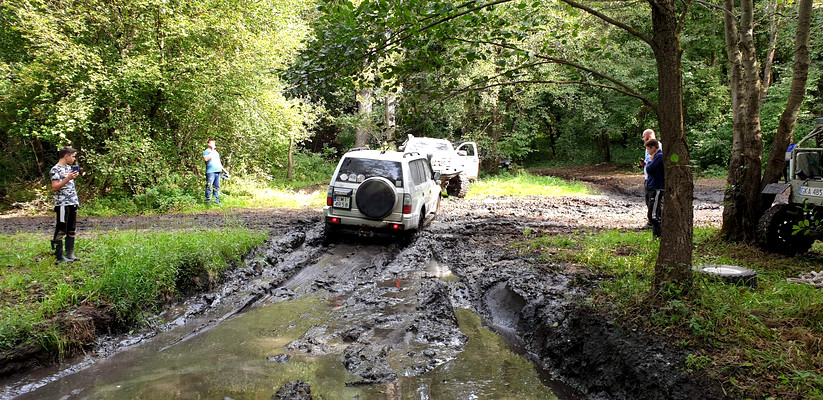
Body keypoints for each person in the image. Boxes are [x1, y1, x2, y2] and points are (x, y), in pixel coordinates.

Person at [50, 147, 81, 262]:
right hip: (62, 203)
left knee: (71, 229)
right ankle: (59, 255)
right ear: (66, 156)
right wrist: (67, 178)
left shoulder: (69, 168)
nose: (74, 159)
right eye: (73, 156)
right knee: (61, 228)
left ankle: (70, 253)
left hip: (73, 202)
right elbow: (54, 187)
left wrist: (71, 177)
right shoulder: (55, 169)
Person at [639, 129, 659, 228]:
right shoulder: (648, 147)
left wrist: (649, 164)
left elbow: (655, 164)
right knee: (648, 200)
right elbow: (649, 162)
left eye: (644, 137)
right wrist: (645, 164)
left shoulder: (658, 148)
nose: (643, 139)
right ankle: (651, 221)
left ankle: (654, 222)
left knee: (653, 201)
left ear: (649, 136)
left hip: (654, 179)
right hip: (648, 178)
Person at [644, 139, 664, 238]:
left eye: (648, 149)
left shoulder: (659, 156)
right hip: (652, 186)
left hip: (657, 188)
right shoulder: (656, 156)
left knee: (654, 215)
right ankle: (656, 237)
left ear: (653, 148)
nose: (647, 152)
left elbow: (649, 169)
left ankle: (659, 236)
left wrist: (650, 161)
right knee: (652, 214)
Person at [203, 138, 229, 205]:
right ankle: (208, 201)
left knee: (216, 187)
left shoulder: (216, 153)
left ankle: (216, 201)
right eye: (212, 143)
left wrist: (225, 171)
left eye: (214, 143)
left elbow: (219, 163)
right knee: (209, 186)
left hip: (218, 171)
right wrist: (211, 150)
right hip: (210, 172)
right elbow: (206, 159)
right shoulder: (207, 151)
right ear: (208, 144)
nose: (213, 145)